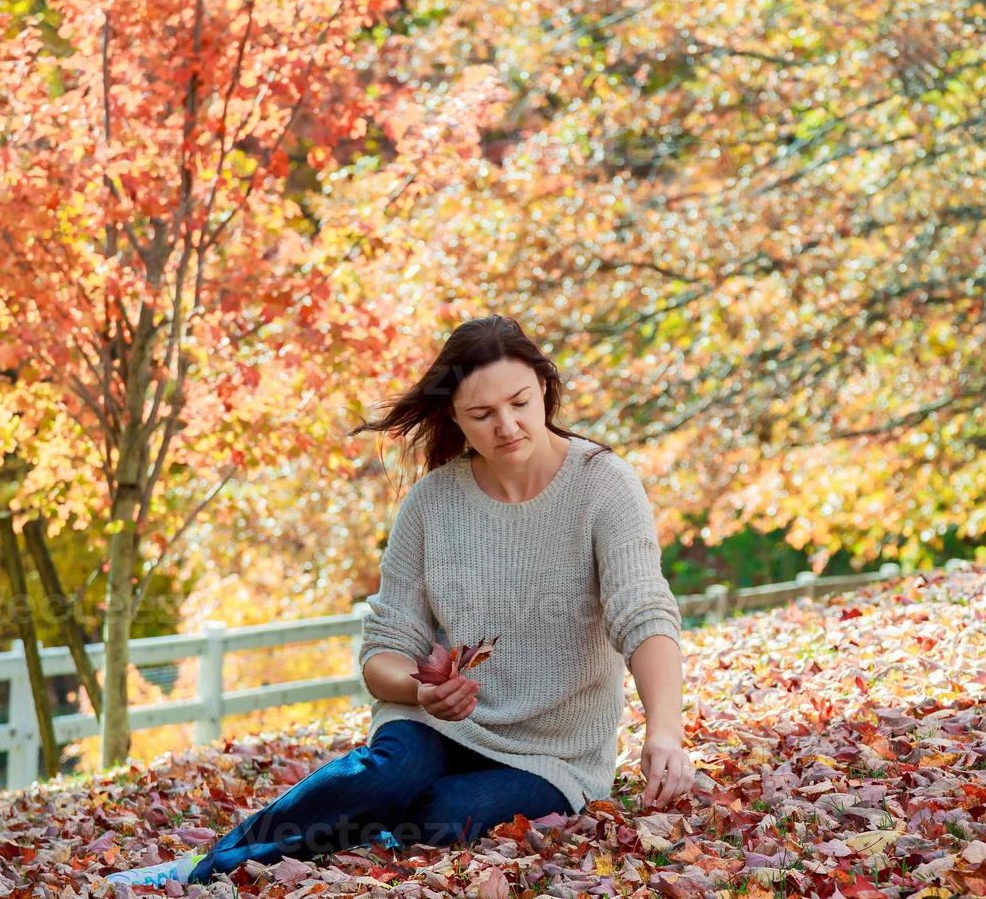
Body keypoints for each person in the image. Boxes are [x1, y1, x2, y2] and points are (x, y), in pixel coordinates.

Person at [107, 314, 693, 890]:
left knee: (440, 817)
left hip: (553, 755)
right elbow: (383, 651)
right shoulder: (431, 505)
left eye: (518, 402)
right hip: (432, 725)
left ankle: (337, 845)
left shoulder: (603, 484)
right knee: (388, 777)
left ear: (543, 385)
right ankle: (207, 866)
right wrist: (421, 691)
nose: (507, 426)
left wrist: (664, 732)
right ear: (455, 418)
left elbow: (642, 612)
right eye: (482, 415)